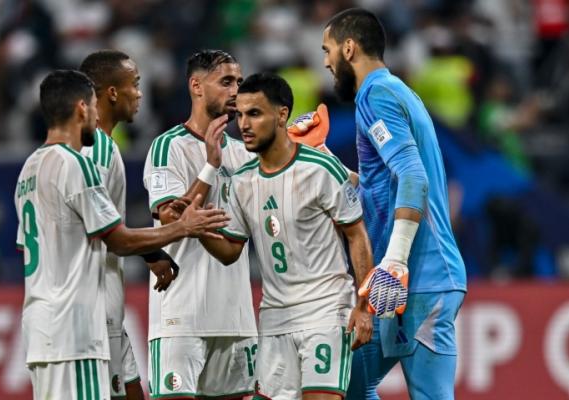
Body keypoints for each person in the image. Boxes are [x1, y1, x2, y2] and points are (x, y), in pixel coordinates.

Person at [15, 69, 229, 400]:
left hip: (40, 324)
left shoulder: (28, 170)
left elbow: (29, 246)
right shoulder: (76, 164)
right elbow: (117, 239)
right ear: (82, 108)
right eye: (93, 106)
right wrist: (183, 227)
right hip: (75, 325)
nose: (96, 115)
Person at [320, 8, 467, 399]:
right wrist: (323, 159)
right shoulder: (396, 91)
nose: (325, 63)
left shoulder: (375, 95)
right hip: (403, 284)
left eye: (327, 50)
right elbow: (379, 185)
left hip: (419, 278)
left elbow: (413, 178)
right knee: (346, 383)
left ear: (348, 48)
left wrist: (395, 261)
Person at [198, 72, 373, 400]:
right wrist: (197, 230)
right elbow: (230, 251)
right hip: (274, 317)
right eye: (240, 115)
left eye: (254, 114)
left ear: (282, 115)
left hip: (325, 309)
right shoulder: (242, 181)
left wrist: (364, 306)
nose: (244, 125)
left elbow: (357, 235)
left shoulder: (321, 169)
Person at [142, 50, 258, 399]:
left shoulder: (246, 153)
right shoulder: (168, 147)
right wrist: (210, 166)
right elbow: (170, 217)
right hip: (182, 318)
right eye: (226, 82)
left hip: (236, 319)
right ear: (196, 86)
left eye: (238, 82)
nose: (235, 91)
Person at [79, 49, 180, 400]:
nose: (139, 94)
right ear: (111, 93)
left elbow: (103, 218)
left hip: (106, 310)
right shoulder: (97, 149)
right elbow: (104, 232)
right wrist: (183, 228)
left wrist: (151, 253)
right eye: (134, 85)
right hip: (94, 310)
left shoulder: (97, 146)